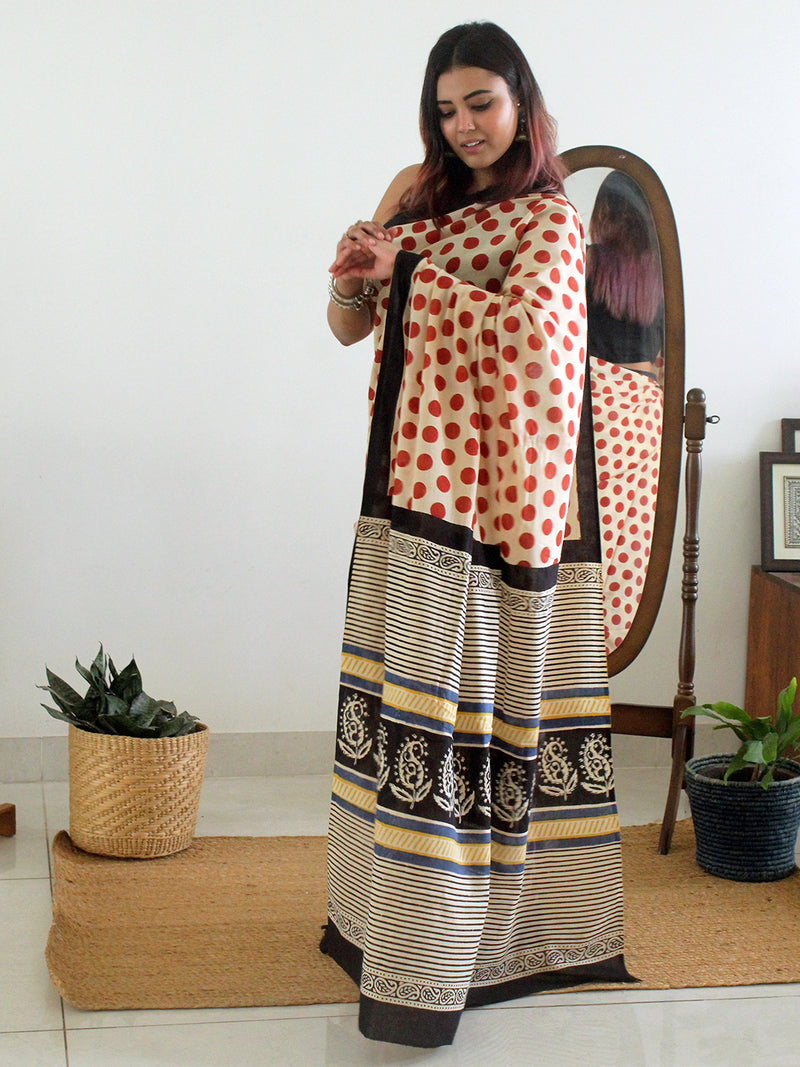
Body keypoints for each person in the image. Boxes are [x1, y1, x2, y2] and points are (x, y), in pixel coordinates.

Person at [321, 22, 634, 1048]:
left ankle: (468, 940)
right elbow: (351, 324)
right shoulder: (411, 192)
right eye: (445, 109)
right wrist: (354, 274)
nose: (463, 127)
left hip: (495, 510)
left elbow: (540, 348)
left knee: (469, 712)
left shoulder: (549, 219)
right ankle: (385, 924)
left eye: (481, 105)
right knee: (401, 702)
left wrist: (408, 272)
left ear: (521, 102)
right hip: (408, 484)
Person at [585, 171, 665, 652]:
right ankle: (614, 634)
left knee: (585, 526)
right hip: (643, 411)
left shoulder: (585, 262)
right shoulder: (664, 275)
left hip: (594, 404)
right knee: (631, 531)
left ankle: (573, 633)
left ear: (604, 216)